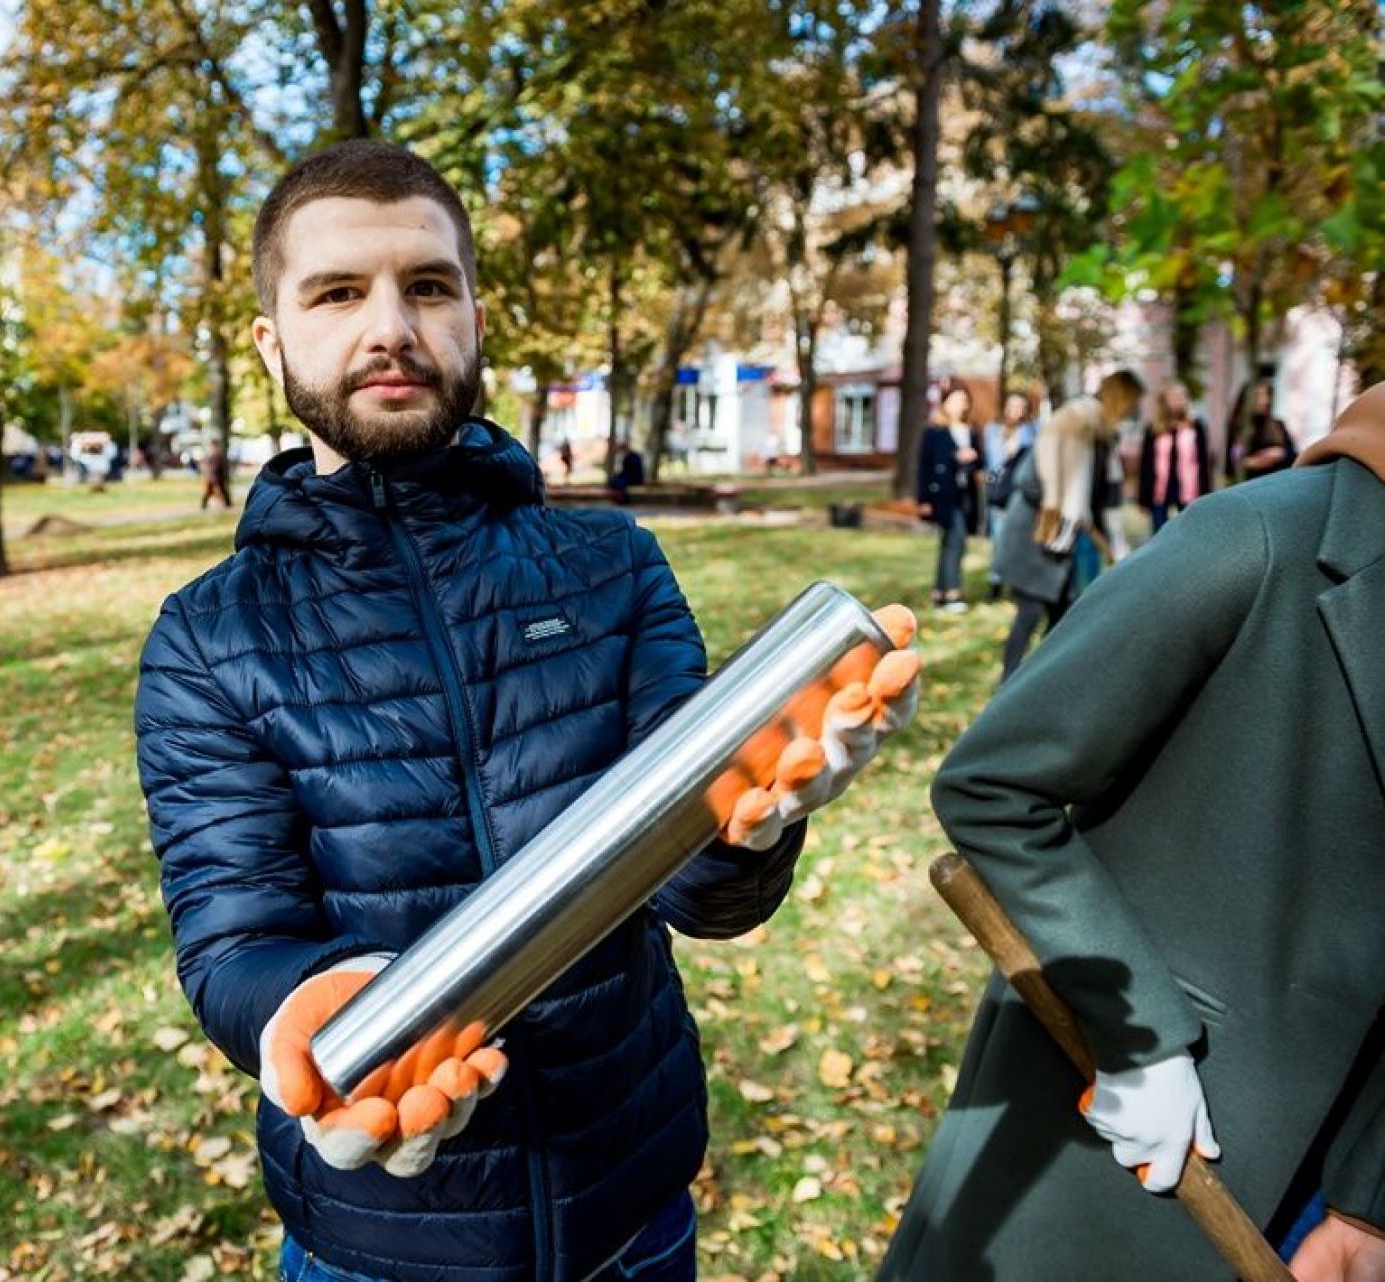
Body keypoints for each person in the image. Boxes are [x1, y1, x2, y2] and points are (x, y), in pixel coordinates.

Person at [134, 139, 923, 1282]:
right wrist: (314, 1019)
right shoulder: (210, 638)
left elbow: (702, 897)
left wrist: (752, 826)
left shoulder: (610, 564)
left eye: (429, 285)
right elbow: (236, 941)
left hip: (632, 1213)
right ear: (273, 339)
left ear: (476, 315)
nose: (391, 325)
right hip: (381, 1242)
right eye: (339, 292)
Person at [880, 382, 1385, 1282]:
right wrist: (1141, 1037)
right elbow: (996, 784)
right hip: (1146, 1139)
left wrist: (1371, 1199)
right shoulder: (1256, 539)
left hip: (1342, 1181)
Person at [989, 371, 1143, 683]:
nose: (1133, 411)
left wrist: (1119, 548)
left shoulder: (1103, 438)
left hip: (1062, 538)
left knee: (1063, 617)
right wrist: (1063, 508)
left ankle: (1043, 682)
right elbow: (1030, 481)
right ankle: (1008, 685)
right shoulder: (1071, 422)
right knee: (1030, 612)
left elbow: (1104, 497)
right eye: (1132, 403)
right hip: (1037, 530)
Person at [917, 383, 982, 612]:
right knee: (956, 540)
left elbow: (980, 465)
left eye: (963, 401)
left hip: (965, 495)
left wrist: (973, 458)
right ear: (945, 403)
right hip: (943, 495)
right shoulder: (934, 431)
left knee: (949, 543)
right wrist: (923, 499)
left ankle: (939, 592)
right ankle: (952, 593)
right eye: (955, 400)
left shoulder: (970, 430)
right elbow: (925, 466)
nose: (959, 405)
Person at [982, 390, 1037, 600]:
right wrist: (1008, 452)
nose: (1015, 411)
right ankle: (995, 584)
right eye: (1011, 405)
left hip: (1021, 494)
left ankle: (1017, 585)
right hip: (1000, 494)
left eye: (1019, 406)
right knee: (999, 540)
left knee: (1021, 541)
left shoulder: (1032, 431)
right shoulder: (994, 431)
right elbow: (992, 464)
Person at [1137, 380, 1212, 531]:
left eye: (1183, 396)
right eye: (1175, 397)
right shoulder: (1153, 429)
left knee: (1189, 533)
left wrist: (1206, 494)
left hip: (1190, 491)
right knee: (1159, 534)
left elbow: (1203, 462)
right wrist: (1143, 498)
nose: (1180, 400)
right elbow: (1145, 464)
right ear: (1164, 401)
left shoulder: (1196, 426)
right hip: (1160, 491)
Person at [1229, 375, 1297, 482]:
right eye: (1259, 395)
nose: (1265, 400)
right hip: (1249, 487)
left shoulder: (1277, 425)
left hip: (1276, 485)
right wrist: (1253, 462)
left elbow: (1295, 457)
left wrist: (1280, 454)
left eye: (1267, 394)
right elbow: (1229, 464)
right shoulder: (1237, 428)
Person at [200, 436, 232, 509]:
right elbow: (204, 466)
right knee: (208, 491)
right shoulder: (208, 455)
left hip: (218, 476)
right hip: (210, 477)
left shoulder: (219, 456)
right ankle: (203, 505)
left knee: (223, 490)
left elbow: (223, 467)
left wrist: (224, 475)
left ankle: (228, 504)